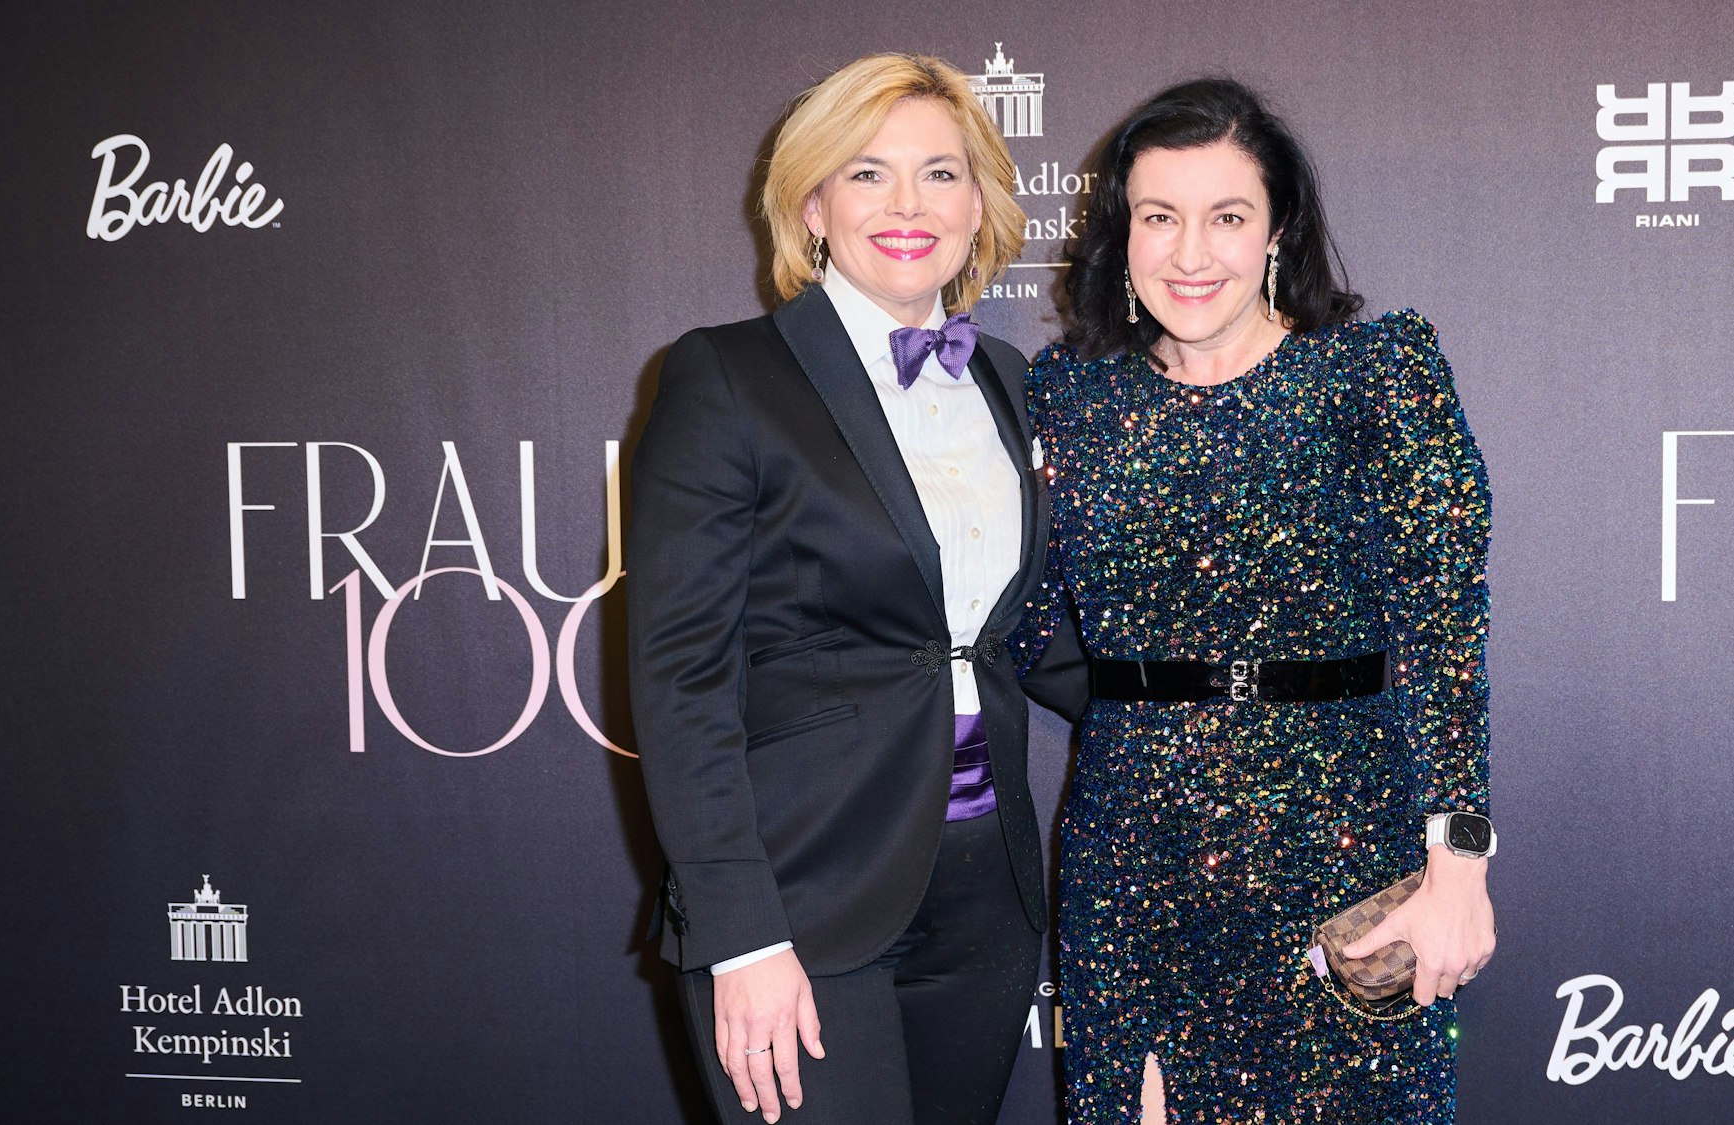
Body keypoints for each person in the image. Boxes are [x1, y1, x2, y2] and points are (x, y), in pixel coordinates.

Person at [1015, 78, 1497, 1123]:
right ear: (1120, 233)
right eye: (1159, 217)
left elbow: (1444, 629)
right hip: (1132, 850)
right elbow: (1017, 616)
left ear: (1276, 230)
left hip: (1339, 843)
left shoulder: (1373, 373)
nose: (1191, 254)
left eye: (1226, 217)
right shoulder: (1069, 395)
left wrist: (1456, 863)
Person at [628, 53, 1049, 1125]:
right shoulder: (723, 377)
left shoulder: (1007, 381)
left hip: (986, 896)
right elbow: (681, 678)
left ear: (980, 205)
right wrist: (741, 930)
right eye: (866, 174)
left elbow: (1035, 640)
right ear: (811, 204)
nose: (907, 206)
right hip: (799, 899)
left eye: (940, 174)